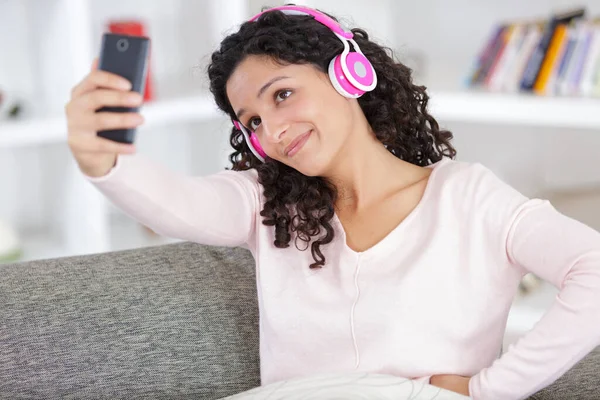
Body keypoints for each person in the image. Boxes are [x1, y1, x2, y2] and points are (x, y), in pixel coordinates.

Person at [64, 5, 600, 399]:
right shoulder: (265, 204)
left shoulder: (470, 198)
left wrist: (490, 389)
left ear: (350, 74)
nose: (271, 129)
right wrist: (105, 161)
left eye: (282, 94)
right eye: (251, 121)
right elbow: (177, 201)